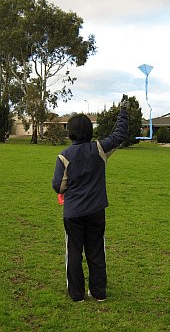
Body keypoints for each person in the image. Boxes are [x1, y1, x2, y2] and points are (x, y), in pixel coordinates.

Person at [52, 105, 129, 302]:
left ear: (70, 133)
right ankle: (98, 292)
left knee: (74, 252)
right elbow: (119, 135)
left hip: (73, 213)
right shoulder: (100, 149)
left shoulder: (63, 155)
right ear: (90, 131)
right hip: (96, 211)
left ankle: (76, 294)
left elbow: (58, 186)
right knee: (96, 250)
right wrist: (123, 113)